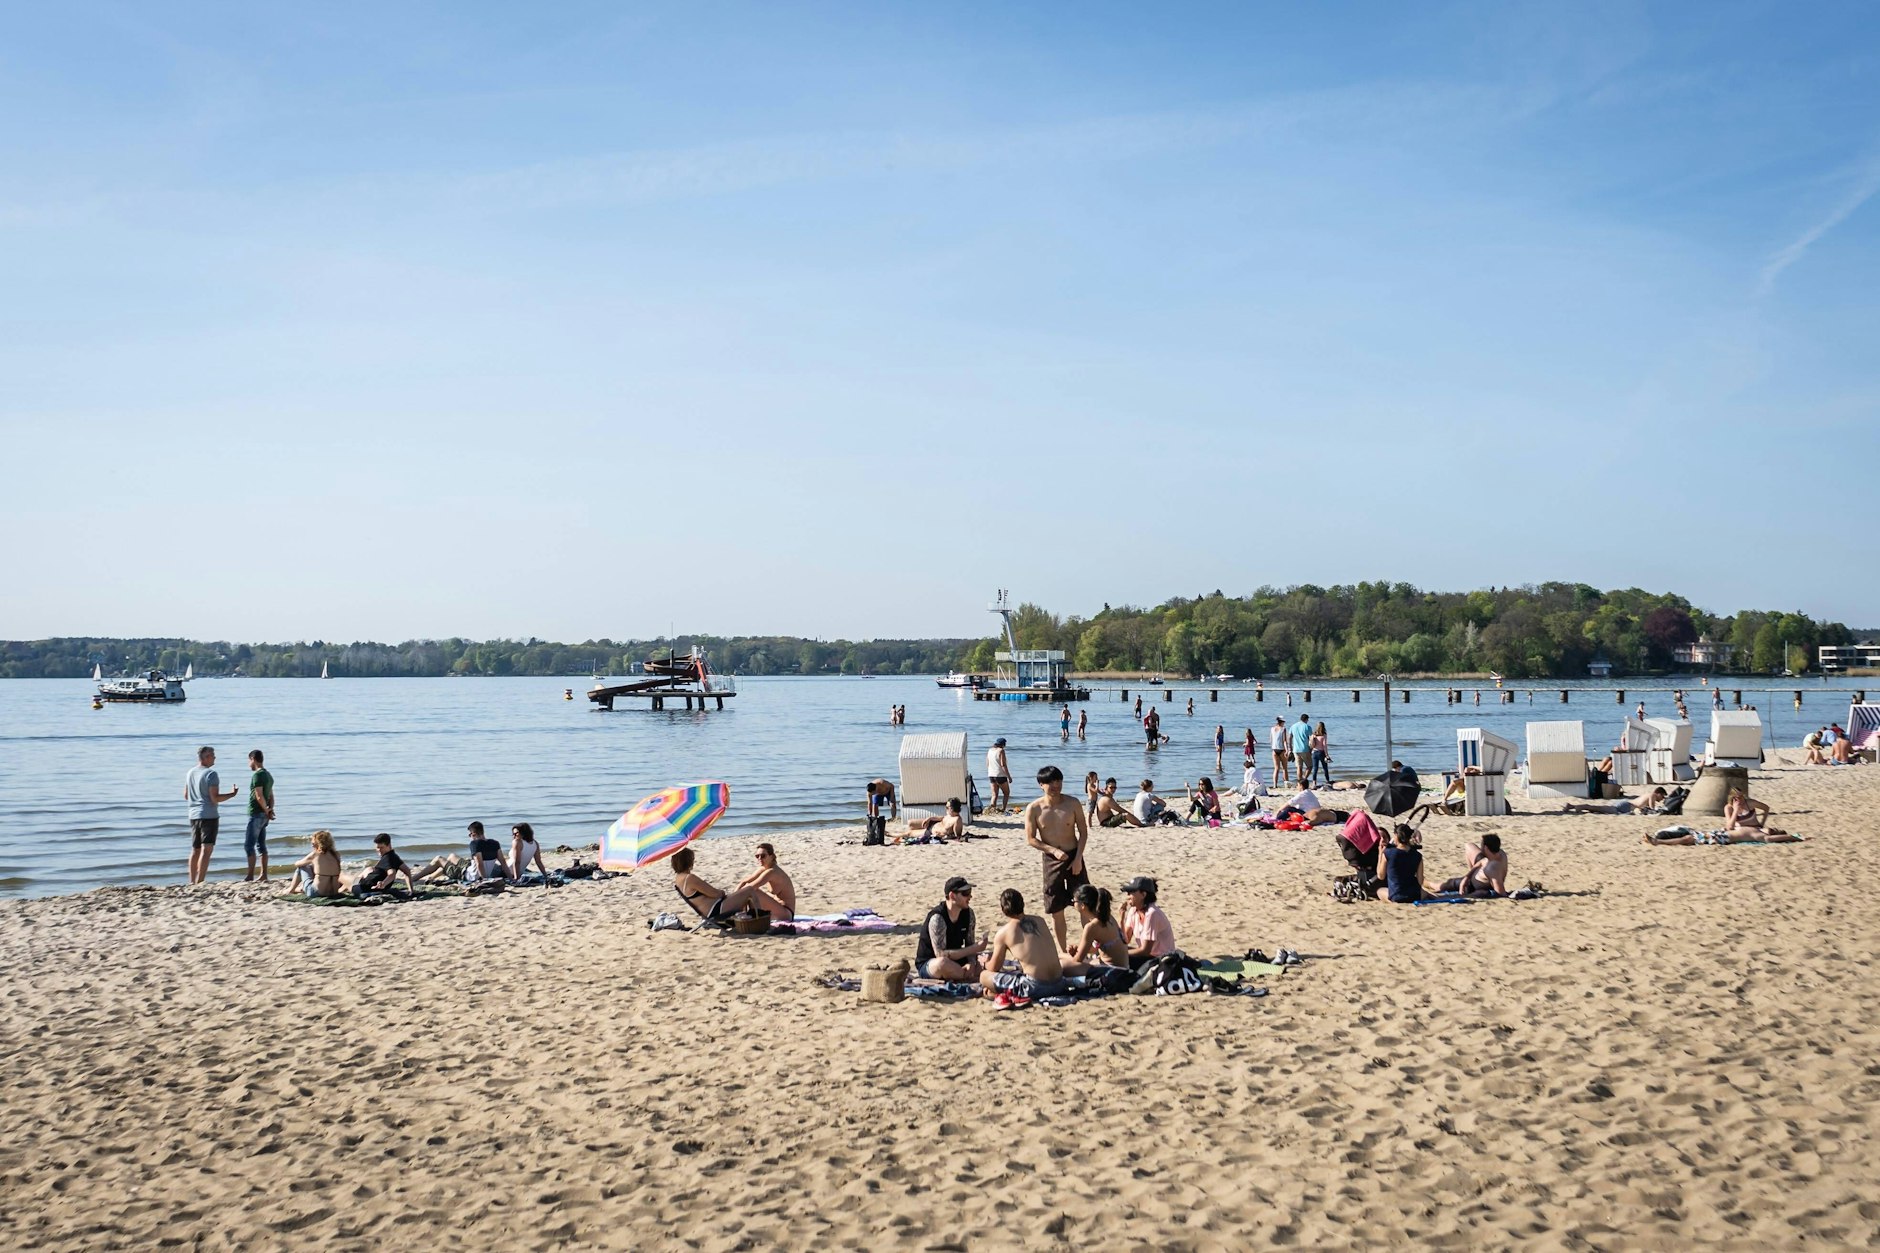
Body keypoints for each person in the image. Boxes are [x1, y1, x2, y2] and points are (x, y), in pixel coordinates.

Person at [1025, 765, 1090, 951]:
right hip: (1052, 860)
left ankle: (1088, 947)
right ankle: (1062, 951)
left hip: (1073, 855)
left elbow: (1083, 833)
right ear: (1041, 785)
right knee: (1056, 909)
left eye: (1058, 781)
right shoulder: (1034, 808)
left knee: (1084, 904)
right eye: (1050, 782)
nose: (1055, 785)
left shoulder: (1073, 803)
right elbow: (1031, 839)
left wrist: (1078, 859)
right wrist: (1052, 850)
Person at [977, 888, 1068, 1001]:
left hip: (1035, 987)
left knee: (984, 976)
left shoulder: (1004, 933)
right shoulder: (1040, 921)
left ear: (1003, 909)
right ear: (1023, 904)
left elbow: (994, 967)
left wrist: (984, 963)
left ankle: (998, 994)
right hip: (1060, 983)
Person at [184, 745, 240, 885]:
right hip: (208, 815)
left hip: (193, 814)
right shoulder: (211, 774)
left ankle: (191, 881)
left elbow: (186, 795)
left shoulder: (190, 772)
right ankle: (200, 880)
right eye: (213, 755)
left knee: (195, 849)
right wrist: (232, 795)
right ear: (206, 757)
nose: (215, 758)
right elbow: (214, 798)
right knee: (206, 849)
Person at [916, 876, 986, 981]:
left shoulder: (969, 914)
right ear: (952, 896)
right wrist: (975, 948)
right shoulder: (938, 918)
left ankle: (964, 974)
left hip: (958, 960)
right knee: (942, 963)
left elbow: (969, 943)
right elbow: (940, 954)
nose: (970, 896)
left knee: (989, 958)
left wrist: (971, 963)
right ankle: (967, 975)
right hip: (931, 963)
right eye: (965, 893)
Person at [1059, 884, 1130, 980]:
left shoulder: (1092, 927)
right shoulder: (1107, 917)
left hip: (1113, 972)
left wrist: (1073, 954)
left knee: (1061, 965)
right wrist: (1077, 950)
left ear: (1083, 905)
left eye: (1074, 901)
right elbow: (1095, 948)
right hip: (1122, 968)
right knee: (1060, 956)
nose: (1073, 903)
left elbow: (1078, 959)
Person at [1120, 875, 1177, 970]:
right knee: (1113, 951)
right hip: (1148, 957)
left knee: (1119, 958)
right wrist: (1121, 919)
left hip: (1161, 961)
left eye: (1131, 892)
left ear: (1143, 894)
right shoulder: (1133, 911)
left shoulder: (1152, 914)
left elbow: (1145, 951)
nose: (1128, 896)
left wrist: (1120, 954)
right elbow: (1125, 940)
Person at [243, 749, 276, 883]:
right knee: (261, 845)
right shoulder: (268, 775)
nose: (248, 764)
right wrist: (270, 809)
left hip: (257, 813)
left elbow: (259, 795)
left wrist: (266, 810)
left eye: (249, 760)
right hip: (264, 814)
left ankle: (250, 875)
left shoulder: (257, 775)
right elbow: (271, 796)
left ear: (253, 759)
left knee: (249, 845)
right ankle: (263, 874)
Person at [1439, 834, 1507, 896]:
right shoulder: (1500, 853)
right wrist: (1466, 877)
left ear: (1486, 848)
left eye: (1482, 846)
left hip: (1473, 885)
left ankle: (1429, 884)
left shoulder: (1492, 868)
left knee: (1444, 885)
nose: (1481, 848)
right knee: (1469, 846)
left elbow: (1500, 892)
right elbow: (1482, 862)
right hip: (1475, 875)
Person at [283, 829, 343, 898]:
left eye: (313, 843)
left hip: (316, 893)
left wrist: (297, 862)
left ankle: (291, 889)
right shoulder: (336, 854)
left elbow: (298, 864)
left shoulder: (316, 854)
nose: (312, 846)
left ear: (318, 843)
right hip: (333, 893)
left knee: (302, 867)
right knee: (314, 868)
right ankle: (301, 889)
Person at [351, 832, 417, 896]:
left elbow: (392, 874)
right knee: (369, 869)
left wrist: (384, 884)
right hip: (371, 887)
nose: (379, 850)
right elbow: (407, 870)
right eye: (377, 847)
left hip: (364, 889)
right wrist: (411, 890)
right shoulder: (394, 856)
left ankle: (342, 892)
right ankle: (343, 890)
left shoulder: (388, 859)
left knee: (342, 877)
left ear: (389, 845)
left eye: (381, 847)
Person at [1380, 824, 1425, 904]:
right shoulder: (1418, 856)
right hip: (1414, 895)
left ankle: (1392, 902)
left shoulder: (1388, 853)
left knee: (1379, 891)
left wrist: (1380, 854)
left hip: (1396, 895)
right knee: (1424, 892)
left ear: (1396, 836)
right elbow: (1420, 881)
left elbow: (1381, 876)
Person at [1337, 811, 1384, 884]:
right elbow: (1375, 837)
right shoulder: (1365, 825)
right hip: (1366, 859)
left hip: (1354, 859)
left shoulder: (1346, 834)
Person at [1724, 788, 1788, 837]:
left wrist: (1762, 823)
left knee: (1769, 831)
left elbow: (1766, 808)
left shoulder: (1750, 803)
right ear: (1733, 798)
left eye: (1742, 796)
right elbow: (1729, 827)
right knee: (1725, 831)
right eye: (1738, 798)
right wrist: (1735, 810)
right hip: (1740, 830)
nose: (1741, 799)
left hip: (1755, 828)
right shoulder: (1728, 808)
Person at [902, 798, 967, 842]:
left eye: (947, 807)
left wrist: (944, 836)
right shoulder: (950, 814)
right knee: (910, 823)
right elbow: (942, 818)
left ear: (952, 808)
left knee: (909, 833)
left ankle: (891, 834)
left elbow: (957, 837)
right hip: (933, 824)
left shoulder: (957, 820)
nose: (945, 809)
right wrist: (930, 818)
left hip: (931, 831)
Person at [865, 780, 895, 845]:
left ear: (875, 788)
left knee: (892, 804)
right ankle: (876, 818)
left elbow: (892, 786)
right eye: (871, 793)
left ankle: (893, 818)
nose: (872, 794)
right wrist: (869, 814)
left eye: (873, 793)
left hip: (888, 791)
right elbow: (869, 803)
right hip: (879, 794)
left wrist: (892, 796)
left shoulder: (881, 783)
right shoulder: (869, 792)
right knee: (874, 805)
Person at [986, 739, 1012, 814]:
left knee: (994, 794)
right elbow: (1003, 765)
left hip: (991, 774)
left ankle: (992, 810)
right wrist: (1009, 776)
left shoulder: (990, 750)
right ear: (1003, 744)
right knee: (1006, 793)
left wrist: (991, 771)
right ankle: (1003, 809)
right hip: (1000, 775)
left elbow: (987, 763)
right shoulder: (1001, 751)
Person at [1288, 714, 1313, 781]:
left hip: (1295, 749)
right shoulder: (1307, 727)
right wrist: (1311, 748)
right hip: (1305, 749)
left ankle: (1299, 781)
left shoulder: (1293, 726)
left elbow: (1289, 738)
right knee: (1310, 766)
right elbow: (1311, 739)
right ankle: (1304, 779)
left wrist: (1290, 748)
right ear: (1306, 719)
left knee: (1299, 767)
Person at [1308, 721, 1332, 787]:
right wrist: (1327, 754)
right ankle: (1327, 781)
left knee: (1315, 768)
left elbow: (1311, 745)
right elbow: (1324, 745)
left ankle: (1314, 783)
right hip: (1321, 752)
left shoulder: (1314, 734)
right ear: (1323, 727)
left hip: (1314, 752)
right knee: (1325, 768)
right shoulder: (1324, 734)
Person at [1270, 717, 1291, 786]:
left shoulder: (1272, 729)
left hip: (1274, 750)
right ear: (1281, 722)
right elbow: (1284, 741)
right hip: (1282, 749)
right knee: (1284, 768)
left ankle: (1275, 784)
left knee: (1276, 768)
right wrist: (1287, 750)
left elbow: (1271, 739)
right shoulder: (1283, 729)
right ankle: (1286, 783)